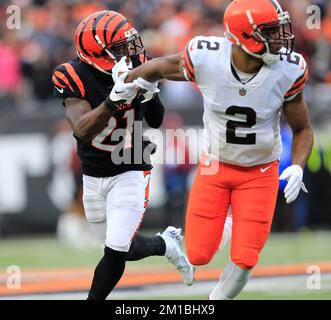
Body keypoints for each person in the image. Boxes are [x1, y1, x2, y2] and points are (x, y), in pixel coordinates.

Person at [117, 0, 314, 300]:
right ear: (245, 37)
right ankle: (234, 222)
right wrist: (130, 81)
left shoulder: (287, 69)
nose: (281, 38)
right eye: (271, 32)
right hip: (215, 165)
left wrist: (298, 165)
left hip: (261, 171)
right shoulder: (207, 59)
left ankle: (216, 300)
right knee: (197, 254)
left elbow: (303, 129)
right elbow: (163, 67)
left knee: (246, 257)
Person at [51, 10, 196, 300]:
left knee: (116, 247)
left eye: (128, 43)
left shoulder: (138, 62)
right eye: (118, 48)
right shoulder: (71, 75)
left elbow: (155, 120)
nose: (128, 52)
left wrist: (150, 91)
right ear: (97, 53)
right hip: (93, 173)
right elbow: (82, 130)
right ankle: (166, 243)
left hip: (131, 165)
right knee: (121, 248)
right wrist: (113, 99)